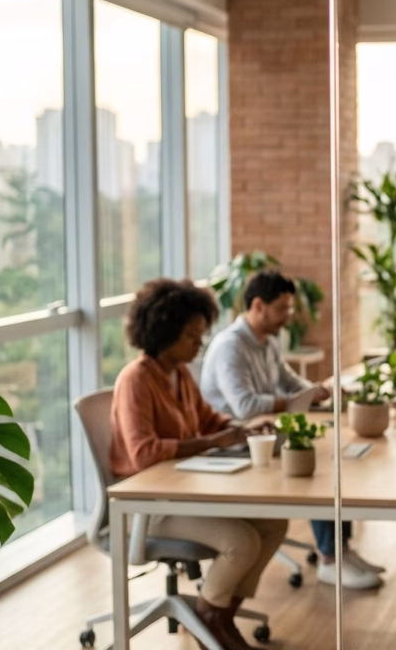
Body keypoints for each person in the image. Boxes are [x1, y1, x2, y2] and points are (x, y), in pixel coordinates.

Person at [109, 278, 287, 650]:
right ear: (164, 333)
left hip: (184, 493)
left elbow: (209, 419)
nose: (199, 343)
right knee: (240, 542)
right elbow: (143, 453)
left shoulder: (181, 375)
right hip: (149, 505)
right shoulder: (136, 380)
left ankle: (218, 617)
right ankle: (208, 617)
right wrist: (210, 442)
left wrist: (240, 428)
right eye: (191, 335)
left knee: (273, 523)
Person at [199, 268, 384, 590]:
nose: (290, 315)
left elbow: (288, 382)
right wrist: (293, 400)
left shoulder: (268, 341)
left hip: (268, 436)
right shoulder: (230, 346)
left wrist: (317, 390)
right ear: (259, 306)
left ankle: (340, 549)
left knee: (335, 457)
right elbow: (245, 406)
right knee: (323, 470)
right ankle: (330, 560)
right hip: (237, 447)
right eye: (283, 308)